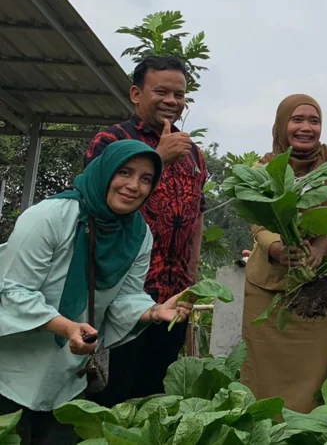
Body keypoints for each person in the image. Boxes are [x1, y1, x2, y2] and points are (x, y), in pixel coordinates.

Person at [0, 140, 194, 445]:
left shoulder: (137, 233)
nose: (134, 186)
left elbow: (124, 297)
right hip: (11, 372)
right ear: (104, 172)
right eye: (125, 173)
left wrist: (154, 311)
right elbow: (12, 291)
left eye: (146, 179)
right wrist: (66, 327)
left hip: (67, 379)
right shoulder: (51, 216)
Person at [83, 55, 208, 406]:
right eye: (162, 91)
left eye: (180, 94)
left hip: (172, 298)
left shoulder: (194, 154)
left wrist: (192, 280)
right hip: (121, 296)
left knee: (154, 396)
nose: (172, 101)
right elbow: (96, 206)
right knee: (110, 396)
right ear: (137, 94)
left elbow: (196, 217)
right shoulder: (111, 141)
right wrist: (157, 156)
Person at [240, 95, 327, 413]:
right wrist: (278, 248)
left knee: (313, 379)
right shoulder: (262, 169)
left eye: (314, 120)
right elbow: (257, 221)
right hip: (267, 290)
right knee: (262, 376)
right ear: (281, 125)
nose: (306, 127)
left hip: (316, 291)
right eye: (297, 120)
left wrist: (323, 244)